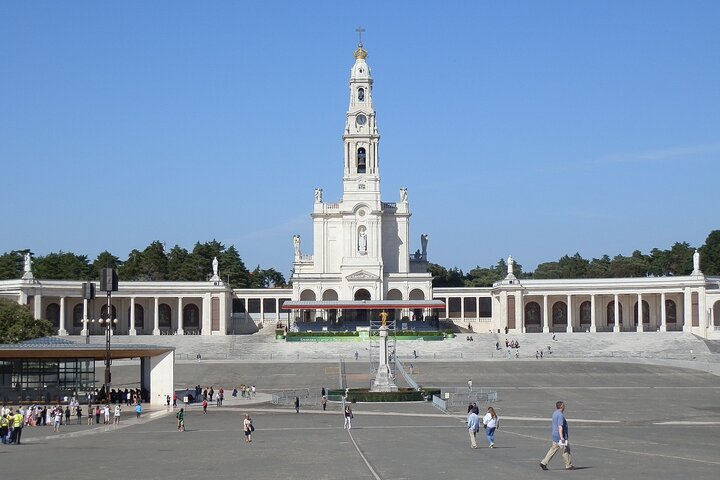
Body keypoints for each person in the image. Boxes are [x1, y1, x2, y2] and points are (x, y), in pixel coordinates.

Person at [540, 401, 574, 471]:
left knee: (553, 449)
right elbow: (560, 427)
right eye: (564, 405)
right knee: (565, 449)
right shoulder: (560, 415)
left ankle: (543, 462)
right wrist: (562, 438)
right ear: (561, 406)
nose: (564, 407)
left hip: (555, 435)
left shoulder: (555, 413)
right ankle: (568, 465)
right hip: (560, 436)